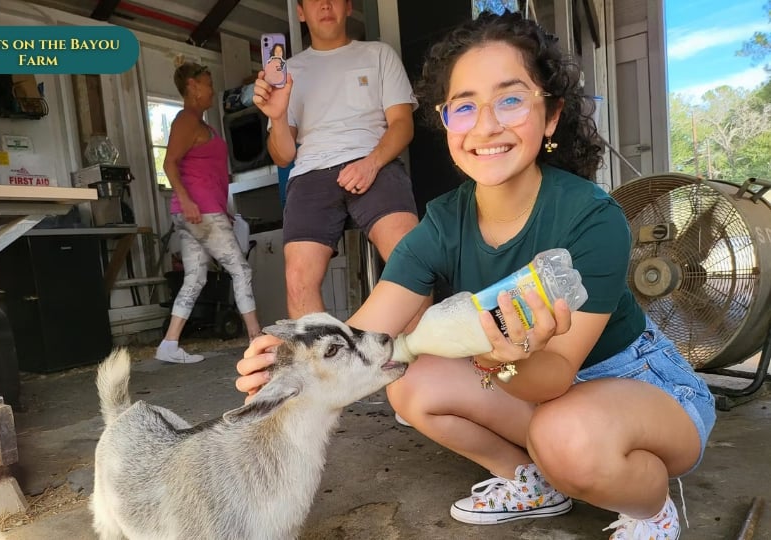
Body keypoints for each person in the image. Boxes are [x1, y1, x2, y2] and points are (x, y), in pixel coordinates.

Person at [237, 11, 716, 539]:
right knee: (410, 384)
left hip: (633, 384)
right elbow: (365, 338)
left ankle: (651, 509)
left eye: (510, 99)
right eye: (464, 107)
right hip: (534, 383)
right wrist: (286, 365)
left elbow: (555, 372)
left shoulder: (591, 217)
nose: (485, 126)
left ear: (551, 114)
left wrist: (495, 361)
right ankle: (532, 481)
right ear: (445, 122)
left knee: (568, 437)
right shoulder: (444, 220)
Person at [251, 0, 420, 318]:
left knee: (411, 258)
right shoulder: (290, 72)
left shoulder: (378, 54)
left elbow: (402, 125)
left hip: (374, 161)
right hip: (310, 171)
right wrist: (277, 115)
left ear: (349, 7)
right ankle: (321, 367)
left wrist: (371, 163)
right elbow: (284, 154)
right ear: (300, 12)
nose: (325, 4)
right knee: (298, 280)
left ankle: (416, 361)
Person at [155, 60, 262, 364]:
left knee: (195, 279)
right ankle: (256, 338)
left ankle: (169, 344)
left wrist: (221, 208)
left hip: (201, 213)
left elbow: (211, 174)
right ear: (192, 86)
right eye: (207, 82)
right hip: (199, 212)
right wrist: (189, 201)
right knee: (241, 270)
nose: (212, 89)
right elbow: (168, 163)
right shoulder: (186, 120)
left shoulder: (202, 125)